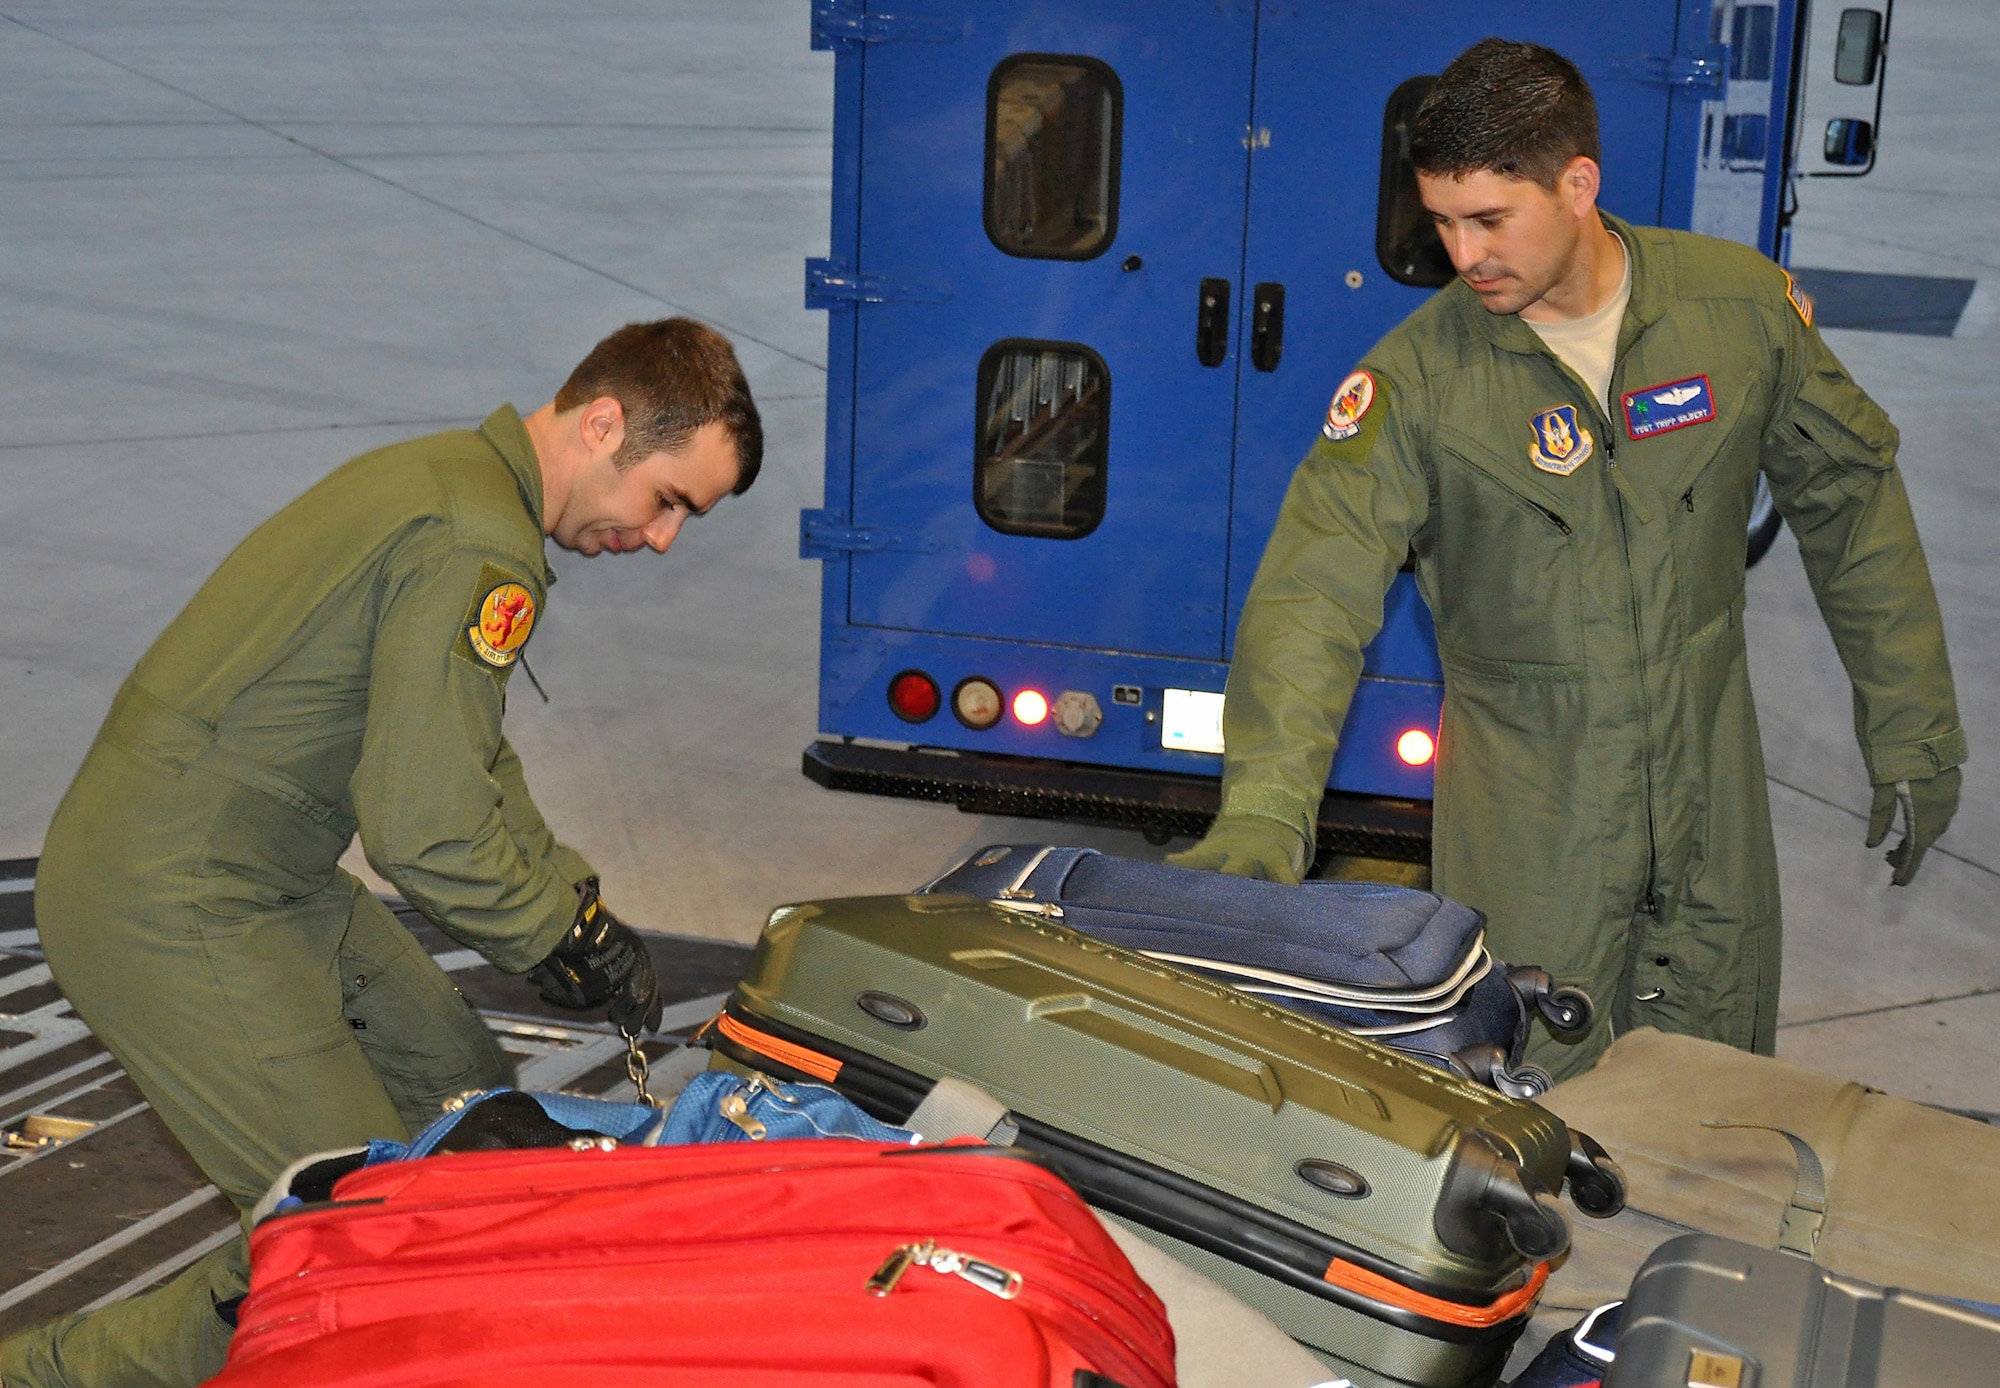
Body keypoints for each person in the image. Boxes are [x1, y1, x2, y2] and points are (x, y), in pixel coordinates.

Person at [1170, 40, 1963, 1080]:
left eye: (1488, 219)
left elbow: (1849, 499)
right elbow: (1311, 595)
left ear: (1576, 184)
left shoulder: (1733, 314)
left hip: (1710, 811)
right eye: (1441, 221)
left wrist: (1912, 723)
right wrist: (1266, 810)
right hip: (1528, 831)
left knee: (1714, 1109)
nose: (1461, 253)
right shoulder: (1416, 384)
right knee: (1520, 1119)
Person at [1, 318, 763, 1388]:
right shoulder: (477, 542)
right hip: (175, 893)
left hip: (261, 868)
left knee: (463, 1106)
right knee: (357, 1232)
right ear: (605, 424)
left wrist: (570, 904)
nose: (663, 536)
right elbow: (421, 821)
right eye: (671, 499)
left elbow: (464, 750)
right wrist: (553, 932)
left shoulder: (453, 484)